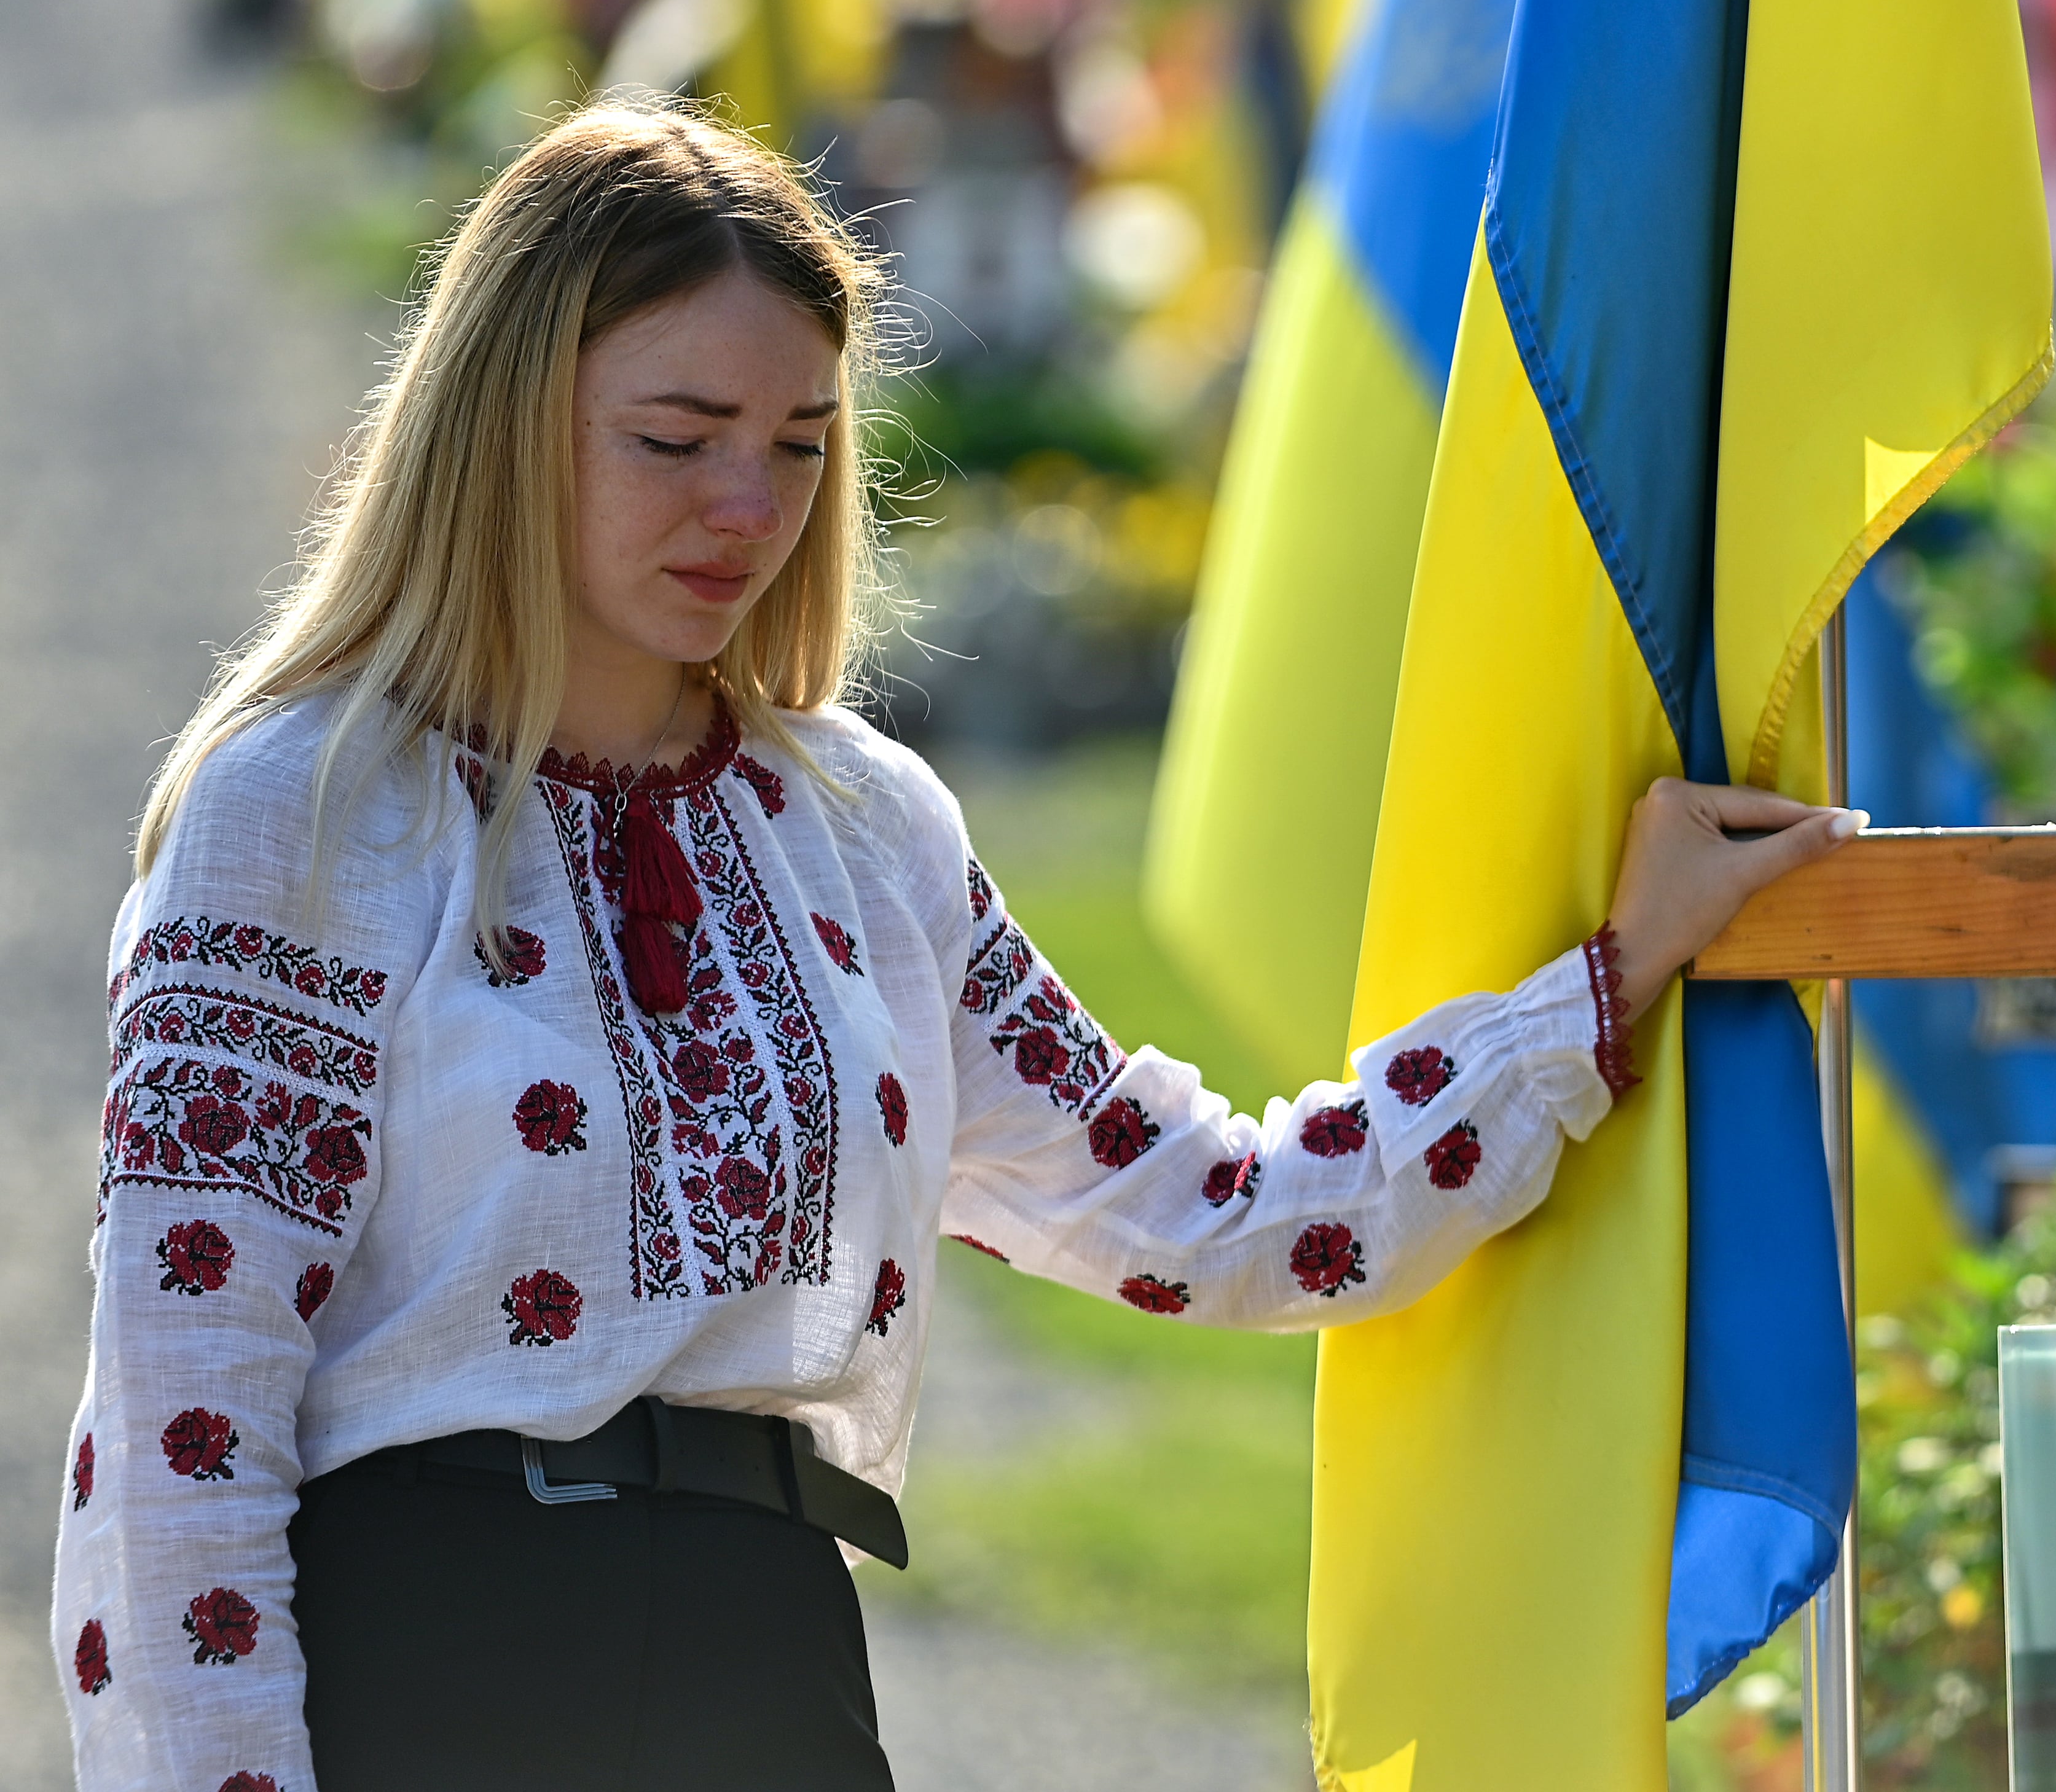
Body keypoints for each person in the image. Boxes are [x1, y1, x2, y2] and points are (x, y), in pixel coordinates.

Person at [52, 98, 1859, 1792]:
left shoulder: (859, 826)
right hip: (431, 1683)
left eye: (797, 449)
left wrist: (1596, 989)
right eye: (675, 441)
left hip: (778, 1674)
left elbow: (1207, 1210)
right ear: (506, 415)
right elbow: (179, 1446)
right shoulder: (303, 811)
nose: (744, 512)